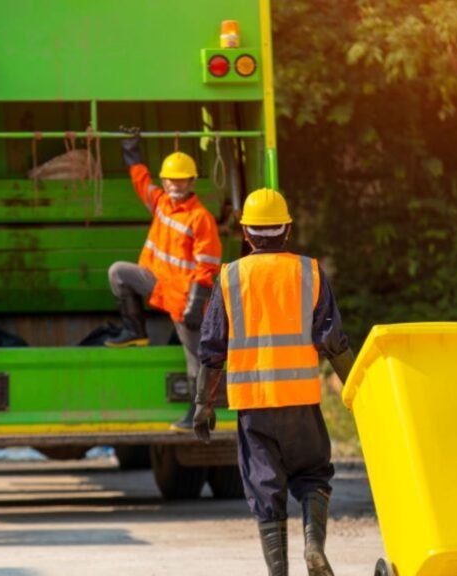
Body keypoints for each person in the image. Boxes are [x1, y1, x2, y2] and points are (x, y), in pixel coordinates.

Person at [192, 188, 355, 576]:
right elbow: (332, 340)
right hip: (301, 401)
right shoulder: (308, 271)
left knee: (265, 489)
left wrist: (202, 403)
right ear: (286, 230)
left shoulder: (231, 277)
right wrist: (356, 390)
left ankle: (278, 572)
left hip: (254, 406)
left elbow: (212, 348)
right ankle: (313, 546)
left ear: (246, 234)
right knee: (313, 474)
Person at [104, 126, 223, 431]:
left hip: (184, 297)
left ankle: (200, 416)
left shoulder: (200, 218)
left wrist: (197, 303)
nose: (174, 184)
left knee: (195, 356)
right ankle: (135, 331)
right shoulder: (160, 203)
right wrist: (131, 151)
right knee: (118, 271)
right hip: (155, 281)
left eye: (181, 179)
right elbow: (140, 181)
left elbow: (208, 265)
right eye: (170, 178)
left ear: (192, 182)